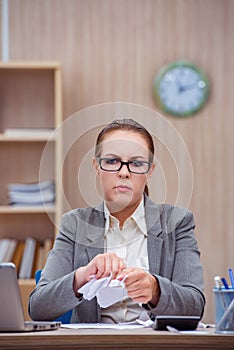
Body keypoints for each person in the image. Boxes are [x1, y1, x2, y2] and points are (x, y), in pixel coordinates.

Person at [29, 118, 205, 323]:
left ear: (150, 171)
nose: (123, 172)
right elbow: (38, 308)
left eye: (136, 163)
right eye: (112, 161)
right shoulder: (75, 224)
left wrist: (156, 289)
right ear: (97, 166)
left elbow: (195, 306)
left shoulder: (177, 222)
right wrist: (82, 276)